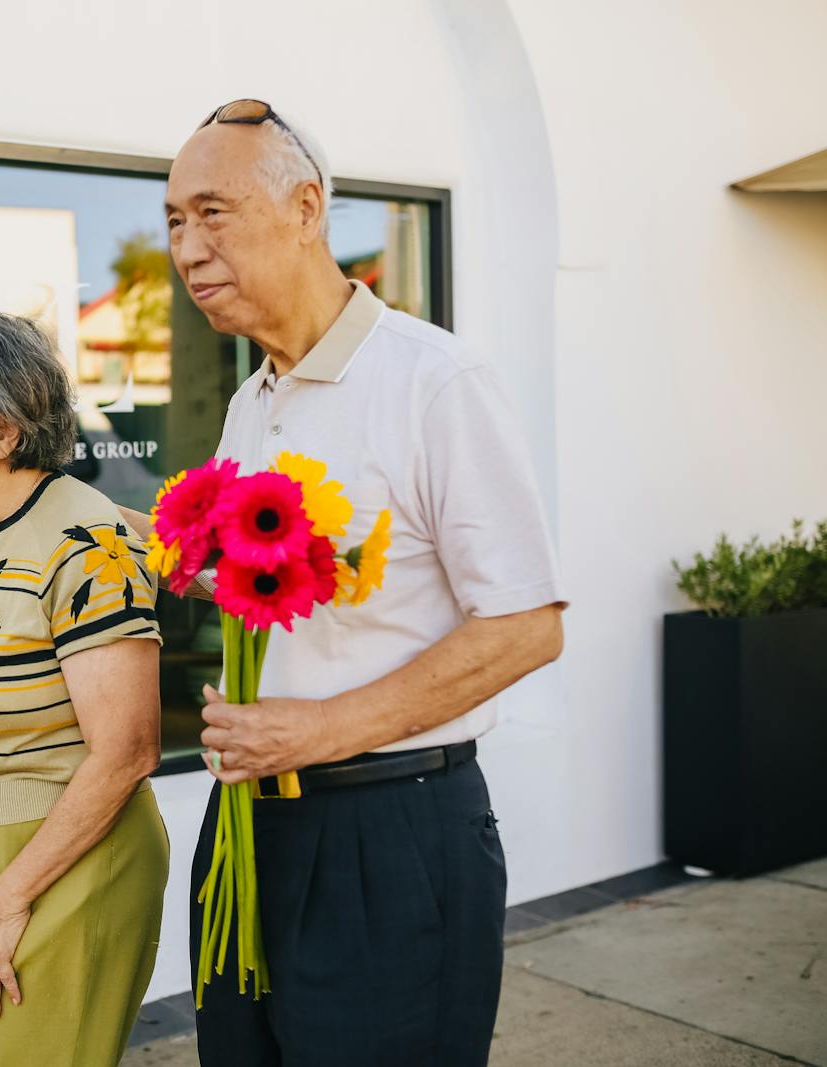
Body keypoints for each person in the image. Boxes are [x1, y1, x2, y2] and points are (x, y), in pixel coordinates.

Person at [117, 99, 567, 1066]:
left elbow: (528, 626)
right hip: (249, 829)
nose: (186, 250)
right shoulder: (253, 399)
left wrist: (319, 729)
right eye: (174, 222)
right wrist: (156, 549)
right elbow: (272, 591)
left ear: (307, 208)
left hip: (390, 835)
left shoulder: (435, 381)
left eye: (212, 213)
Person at [0, 311, 170, 1066]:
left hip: (65, 861)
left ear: (4, 427)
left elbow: (128, 752)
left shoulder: (89, 546)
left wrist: (13, 894)